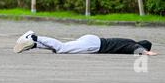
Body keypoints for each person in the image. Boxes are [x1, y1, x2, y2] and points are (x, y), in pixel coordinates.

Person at [13, 30, 157, 55]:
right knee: (62, 48)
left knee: (60, 49)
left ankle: (35, 44)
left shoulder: (129, 41)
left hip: (92, 41)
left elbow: (135, 45)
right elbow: (136, 47)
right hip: (94, 45)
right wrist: (146, 52)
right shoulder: (131, 45)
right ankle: (33, 37)